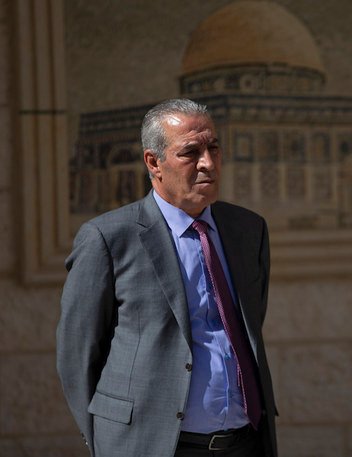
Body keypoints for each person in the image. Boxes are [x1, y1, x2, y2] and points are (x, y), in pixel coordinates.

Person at [57, 99, 277, 457]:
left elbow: (250, 324)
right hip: (152, 445)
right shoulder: (108, 238)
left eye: (214, 148)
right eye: (191, 152)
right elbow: (77, 354)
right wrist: (105, 440)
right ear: (153, 162)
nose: (208, 163)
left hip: (244, 442)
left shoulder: (248, 229)